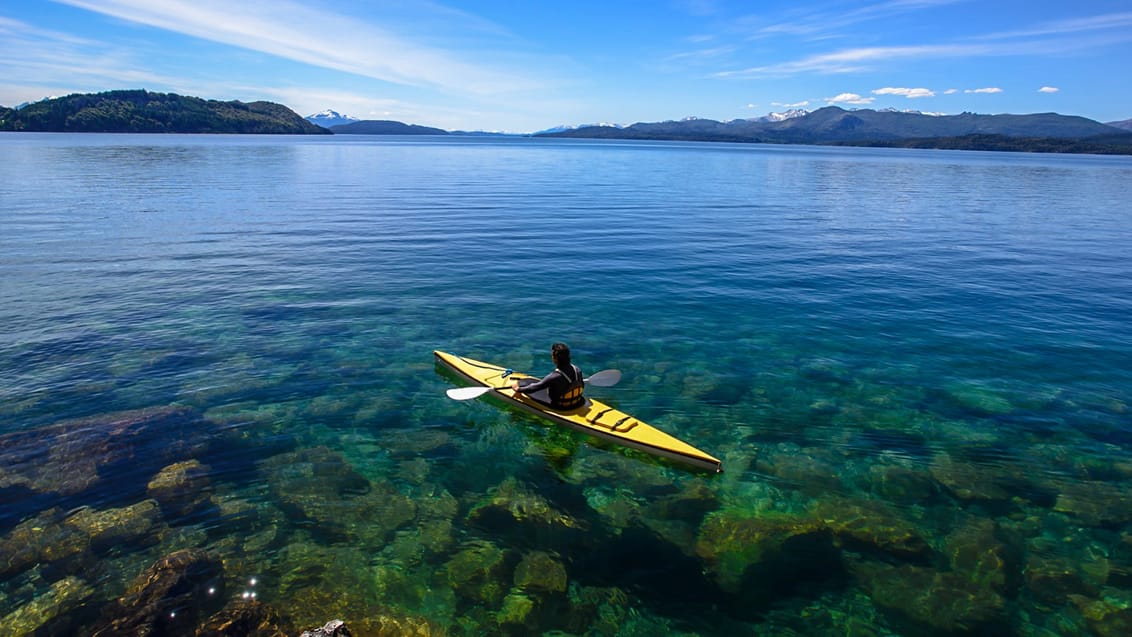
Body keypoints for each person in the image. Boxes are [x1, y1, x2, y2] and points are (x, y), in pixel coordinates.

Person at [510, 342, 586, 410]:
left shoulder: (553, 377)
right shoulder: (577, 370)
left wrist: (518, 389)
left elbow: (534, 388)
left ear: (555, 359)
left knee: (526, 383)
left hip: (559, 405)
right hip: (577, 402)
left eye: (552, 355)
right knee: (529, 381)